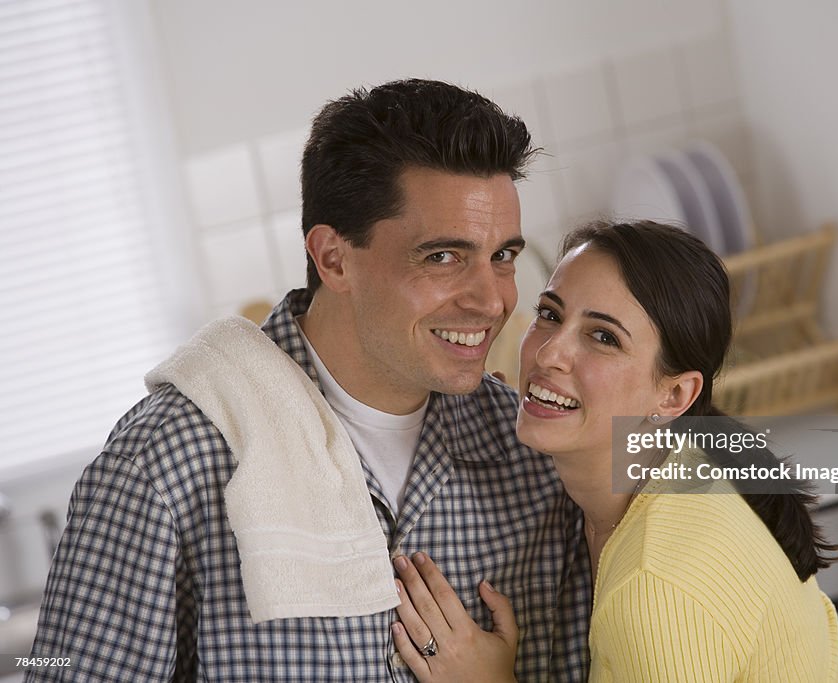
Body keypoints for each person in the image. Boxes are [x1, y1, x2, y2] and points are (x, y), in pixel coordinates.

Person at [28, 79, 592, 682]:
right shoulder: (162, 466)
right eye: (443, 257)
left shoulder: (535, 448)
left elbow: (698, 465)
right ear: (333, 258)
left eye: (502, 256)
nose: (493, 300)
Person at [391, 220, 838, 682]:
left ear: (673, 396)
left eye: (604, 337)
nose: (549, 353)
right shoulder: (691, 467)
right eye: (550, 314)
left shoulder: (653, 589)